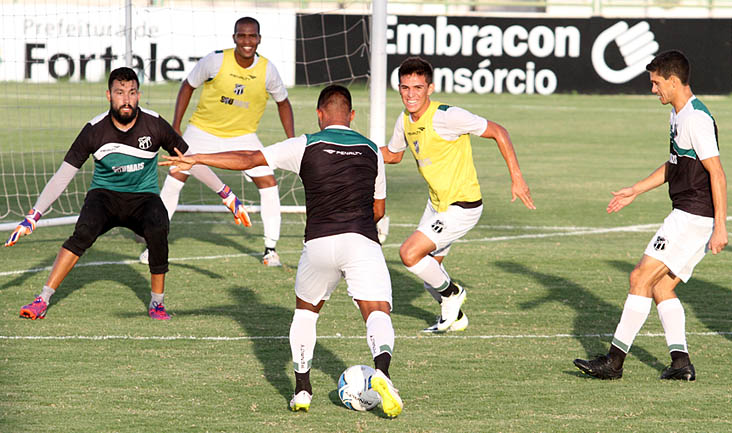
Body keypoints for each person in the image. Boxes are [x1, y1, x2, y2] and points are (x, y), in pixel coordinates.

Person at [160, 85, 403, 417]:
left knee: (306, 313)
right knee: (376, 310)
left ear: (320, 115)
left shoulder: (304, 143)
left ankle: (302, 389)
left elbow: (250, 159)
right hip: (360, 239)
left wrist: (198, 157)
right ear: (352, 116)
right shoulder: (373, 150)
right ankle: (383, 374)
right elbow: (378, 210)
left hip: (318, 243)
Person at [573, 50, 727, 381]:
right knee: (660, 288)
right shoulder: (679, 114)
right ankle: (680, 363)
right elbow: (674, 165)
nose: (653, 89)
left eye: (656, 83)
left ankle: (614, 362)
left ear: (673, 81)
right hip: (690, 215)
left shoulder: (695, 119)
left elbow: (717, 173)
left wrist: (720, 226)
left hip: (692, 217)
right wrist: (635, 190)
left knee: (640, 278)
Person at [6, 67, 198, 320]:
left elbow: (190, 161)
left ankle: (157, 303)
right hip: (104, 196)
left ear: (138, 95)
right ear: (109, 95)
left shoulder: (154, 123)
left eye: (131, 93)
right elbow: (63, 175)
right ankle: (43, 298)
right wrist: (34, 215)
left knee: (158, 226)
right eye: (120, 93)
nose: (126, 99)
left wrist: (225, 193)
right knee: (83, 231)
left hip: (144, 197)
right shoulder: (94, 129)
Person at [381, 57, 535, 333]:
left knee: (409, 254)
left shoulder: (447, 116)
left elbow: (499, 131)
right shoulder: (404, 120)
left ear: (430, 88)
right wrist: (358, 152)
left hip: (462, 206)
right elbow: (393, 155)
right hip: (437, 205)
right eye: (405, 88)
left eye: (417, 87)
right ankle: (457, 317)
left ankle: (453, 293)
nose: (411, 94)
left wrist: (517, 178)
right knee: (430, 275)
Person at [142, 16, 294, 267]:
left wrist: (291, 139)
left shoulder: (268, 70)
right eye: (242, 36)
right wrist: (177, 126)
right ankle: (153, 247)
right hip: (202, 131)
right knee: (175, 177)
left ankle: (270, 249)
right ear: (234, 38)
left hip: (243, 137)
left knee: (268, 182)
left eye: (252, 36)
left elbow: (283, 102)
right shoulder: (215, 60)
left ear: (259, 39)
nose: (247, 41)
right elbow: (188, 86)